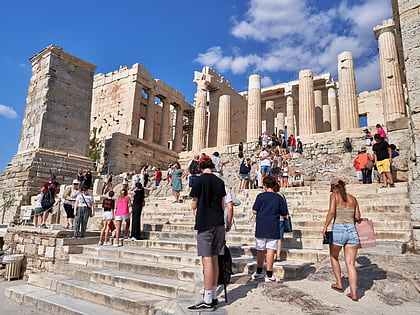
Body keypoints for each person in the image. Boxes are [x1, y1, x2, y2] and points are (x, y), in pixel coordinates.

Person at [187, 158, 229, 312]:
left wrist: (195, 209)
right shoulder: (220, 182)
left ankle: (207, 299)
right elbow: (222, 204)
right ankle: (213, 295)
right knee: (216, 257)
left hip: (205, 223)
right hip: (218, 223)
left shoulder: (198, 181)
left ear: (200, 167)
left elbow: (194, 203)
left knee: (207, 259)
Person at [322, 179, 361, 302]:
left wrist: (325, 226)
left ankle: (339, 283)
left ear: (334, 188)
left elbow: (332, 212)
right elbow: (357, 217)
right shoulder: (353, 198)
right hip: (352, 230)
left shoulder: (334, 196)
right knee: (350, 264)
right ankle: (354, 293)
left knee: (334, 256)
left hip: (338, 228)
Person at [251, 176, 288, 283]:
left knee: (260, 249)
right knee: (271, 250)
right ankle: (269, 274)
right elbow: (284, 214)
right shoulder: (278, 197)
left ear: (265, 185)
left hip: (261, 225)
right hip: (273, 225)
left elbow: (254, 211)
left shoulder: (260, 196)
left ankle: (258, 272)